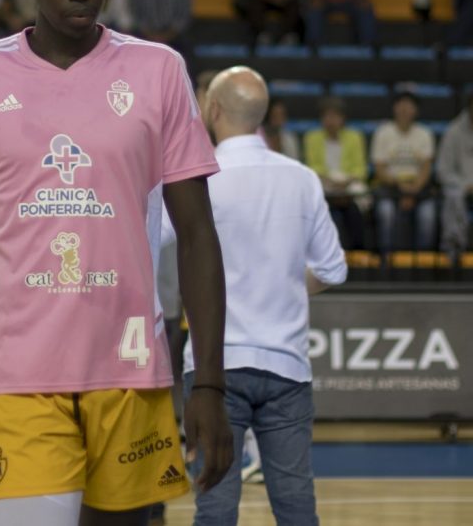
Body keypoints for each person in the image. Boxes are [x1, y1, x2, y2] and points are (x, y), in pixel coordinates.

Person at [0, 0, 233, 526]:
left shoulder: (159, 70)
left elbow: (198, 233)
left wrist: (207, 380)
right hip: (17, 374)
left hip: (130, 369)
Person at [186, 66, 346, 525]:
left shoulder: (196, 178)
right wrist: (290, 286)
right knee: (296, 507)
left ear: (213, 109)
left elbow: (145, 242)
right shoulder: (301, 178)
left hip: (213, 367)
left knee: (215, 505)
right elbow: (333, 268)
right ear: (261, 114)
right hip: (286, 366)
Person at [371, 92, 437, 252]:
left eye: (409, 105)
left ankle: (422, 260)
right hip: (390, 187)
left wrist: (414, 190)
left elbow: (426, 167)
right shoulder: (383, 133)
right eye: (401, 105)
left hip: (418, 187)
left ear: (416, 110)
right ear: (394, 108)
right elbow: (380, 169)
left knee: (428, 216)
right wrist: (401, 187)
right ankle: (386, 257)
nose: (405, 109)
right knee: (385, 213)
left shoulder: (424, 134)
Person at [303, 97, 368, 250]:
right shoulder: (312, 138)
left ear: (342, 119)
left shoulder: (354, 137)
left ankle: (358, 251)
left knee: (356, 206)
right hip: (325, 185)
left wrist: (345, 182)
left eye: (335, 116)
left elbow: (360, 168)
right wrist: (330, 182)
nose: (331, 121)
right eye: (327, 116)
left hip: (348, 185)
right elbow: (312, 167)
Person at [437, 94, 473, 255]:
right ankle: (454, 247)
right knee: (453, 195)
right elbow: (443, 171)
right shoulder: (454, 131)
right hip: (460, 185)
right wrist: (465, 184)